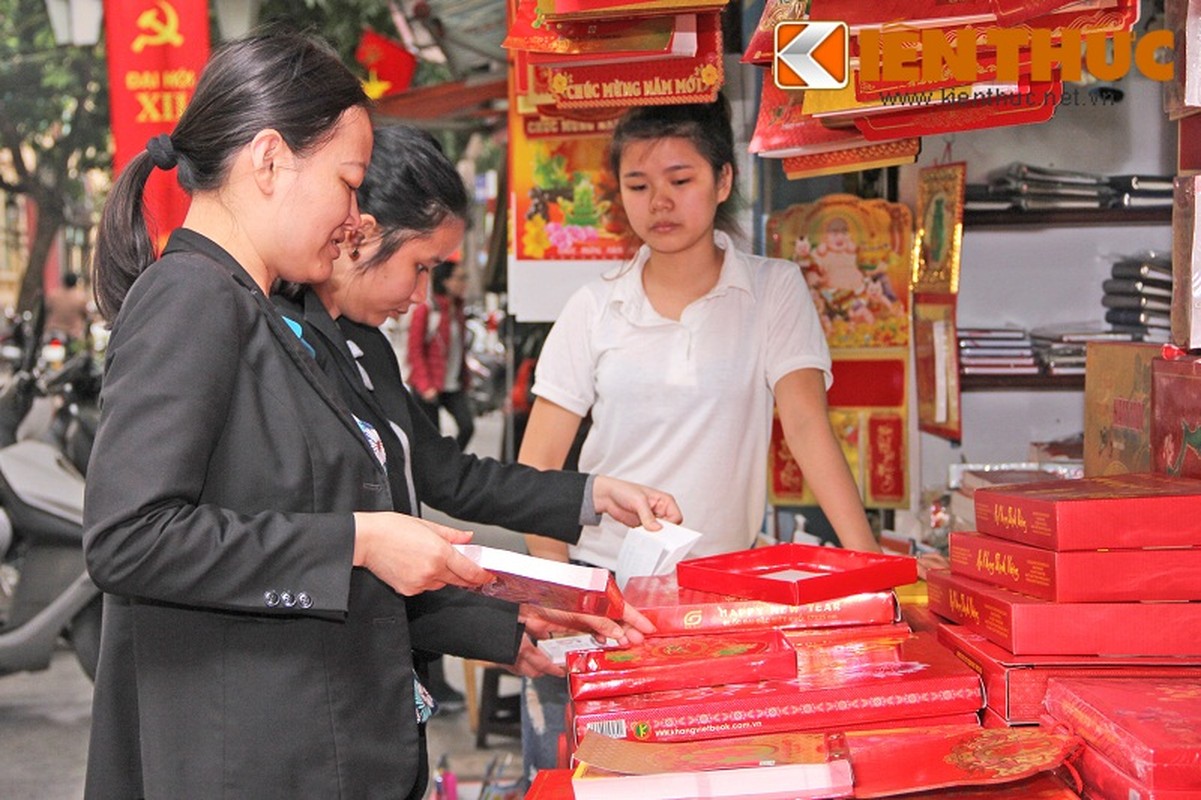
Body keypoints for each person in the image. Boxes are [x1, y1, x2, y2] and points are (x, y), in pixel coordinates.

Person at [82, 30, 677, 800]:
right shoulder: (192, 297)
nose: (354, 216)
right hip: (253, 759)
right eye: (348, 181)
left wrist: (500, 619)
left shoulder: (265, 312)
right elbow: (128, 537)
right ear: (268, 161)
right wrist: (361, 540)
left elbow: (294, 518)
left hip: (313, 744)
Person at [514, 96, 940, 780]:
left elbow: (806, 426)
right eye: (637, 185)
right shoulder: (592, 308)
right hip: (611, 593)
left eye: (680, 180)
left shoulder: (771, 289)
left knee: (714, 772)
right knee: (615, 777)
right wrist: (576, 604)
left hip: (725, 594)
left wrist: (871, 577)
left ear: (722, 181)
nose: (659, 201)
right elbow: (535, 469)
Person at [272, 123, 681, 794]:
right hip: (319, 694)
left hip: (384, 684)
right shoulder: (285, 349)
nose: (421, 295)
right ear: (361, 234)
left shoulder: (367, 349)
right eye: (422, 267)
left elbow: (445, 474)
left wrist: (592, 494)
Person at [408, 259, 475, 448]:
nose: (464, 283)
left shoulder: (459, 310)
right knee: (431, 438)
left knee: (467, 426)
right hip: (429, 384)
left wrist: (465, 378)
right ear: (446, 281)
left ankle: (451, 463)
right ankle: (436, 474)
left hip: (453, 383)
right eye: (460, 278)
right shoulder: (427, 310)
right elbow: (415, 350)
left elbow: (459, 350)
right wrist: (424, 384)